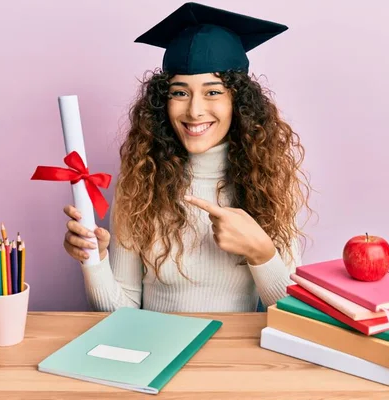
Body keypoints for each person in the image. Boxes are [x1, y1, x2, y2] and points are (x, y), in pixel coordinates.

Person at [63, 2, 312, 312]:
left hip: (231, 354)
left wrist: (261, 252)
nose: (194, 110)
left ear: (239, 101)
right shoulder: (141, 179)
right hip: (156, 349)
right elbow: (121, 311)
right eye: (180, 92)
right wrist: (95, 261)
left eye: (213, 92)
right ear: (162, 102)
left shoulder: (270, 179)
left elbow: (292, 315)